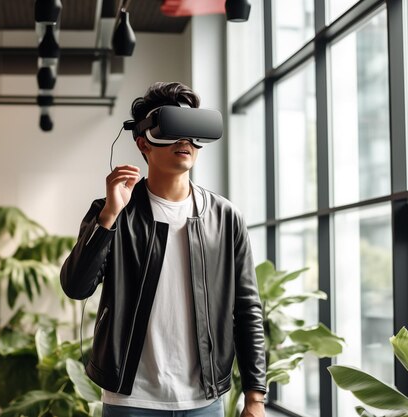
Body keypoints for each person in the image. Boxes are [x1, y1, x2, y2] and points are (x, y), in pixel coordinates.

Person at [60, 82, 267, 417]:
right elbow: (76, 287)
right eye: (173, 129)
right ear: (144, 142)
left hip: (204, 400)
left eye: (192, 130)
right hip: (131, 399)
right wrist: (110, 216)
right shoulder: (112, 210)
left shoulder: (225, 217)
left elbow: (247, 309)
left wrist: (255, 398)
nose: (184, 140)